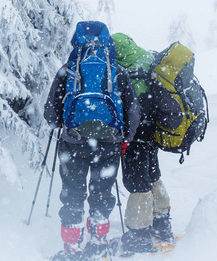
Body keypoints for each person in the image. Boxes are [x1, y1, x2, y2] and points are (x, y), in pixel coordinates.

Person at [44, 22, 141, 260]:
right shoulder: (117, 71)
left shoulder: (68, 70)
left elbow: (50, 113)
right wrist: (125, 138)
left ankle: (72, 249)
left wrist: (60, 125)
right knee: (102, 193)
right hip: (109, 143)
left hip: (73, 143)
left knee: (73, 194)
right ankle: (98, 244)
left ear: (76, 42)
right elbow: (133, 111)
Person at [111, 33, 183, 253]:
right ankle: (162, 222)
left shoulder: (124, 70)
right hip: (152, 131)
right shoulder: (147, 59)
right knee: (152, 174)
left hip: (136, 134)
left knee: (138, 183)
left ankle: (138, 235)